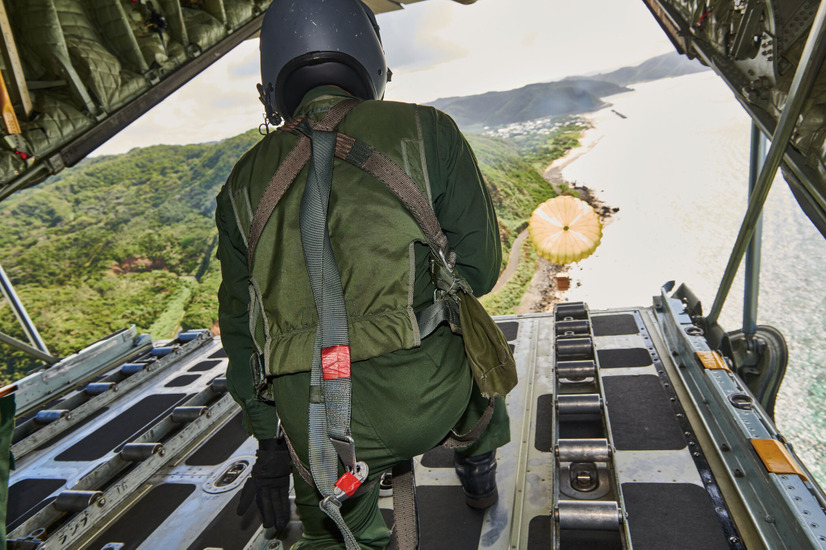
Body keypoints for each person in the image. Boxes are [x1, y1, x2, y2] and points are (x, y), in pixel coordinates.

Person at [215, 0, 511, 547]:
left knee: (331, 521)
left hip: (320, 428)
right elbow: (481, 272)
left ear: (271, 83)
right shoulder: (428, 130)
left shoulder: (239, 183)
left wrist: (271, 445)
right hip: (428, 397)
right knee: (471, 334)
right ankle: (479, 461)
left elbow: (241, 330)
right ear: (370, 58)